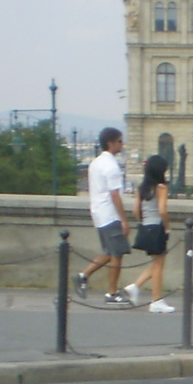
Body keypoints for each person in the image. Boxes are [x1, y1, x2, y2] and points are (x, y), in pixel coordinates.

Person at [74, 128, 131, 304]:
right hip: (110, 214)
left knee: (109, 251)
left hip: (98, 213)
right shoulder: (111, 166)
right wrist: (124, 219)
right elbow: (115, 195)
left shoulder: (95, 163)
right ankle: (111, 292)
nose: (122, 144)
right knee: (117, 253)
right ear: (111, 143)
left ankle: (83, 276)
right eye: (120, 141)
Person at [123, 154, 174, 313]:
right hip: (157, 228)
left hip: (146, 226)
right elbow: (162, 210)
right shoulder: (161, 188)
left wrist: (142, 222)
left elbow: (135, 210)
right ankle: (156, 300)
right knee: (159, 265)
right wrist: (167, 228)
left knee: (156, 263)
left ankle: (135, 287)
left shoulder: (142, 188)